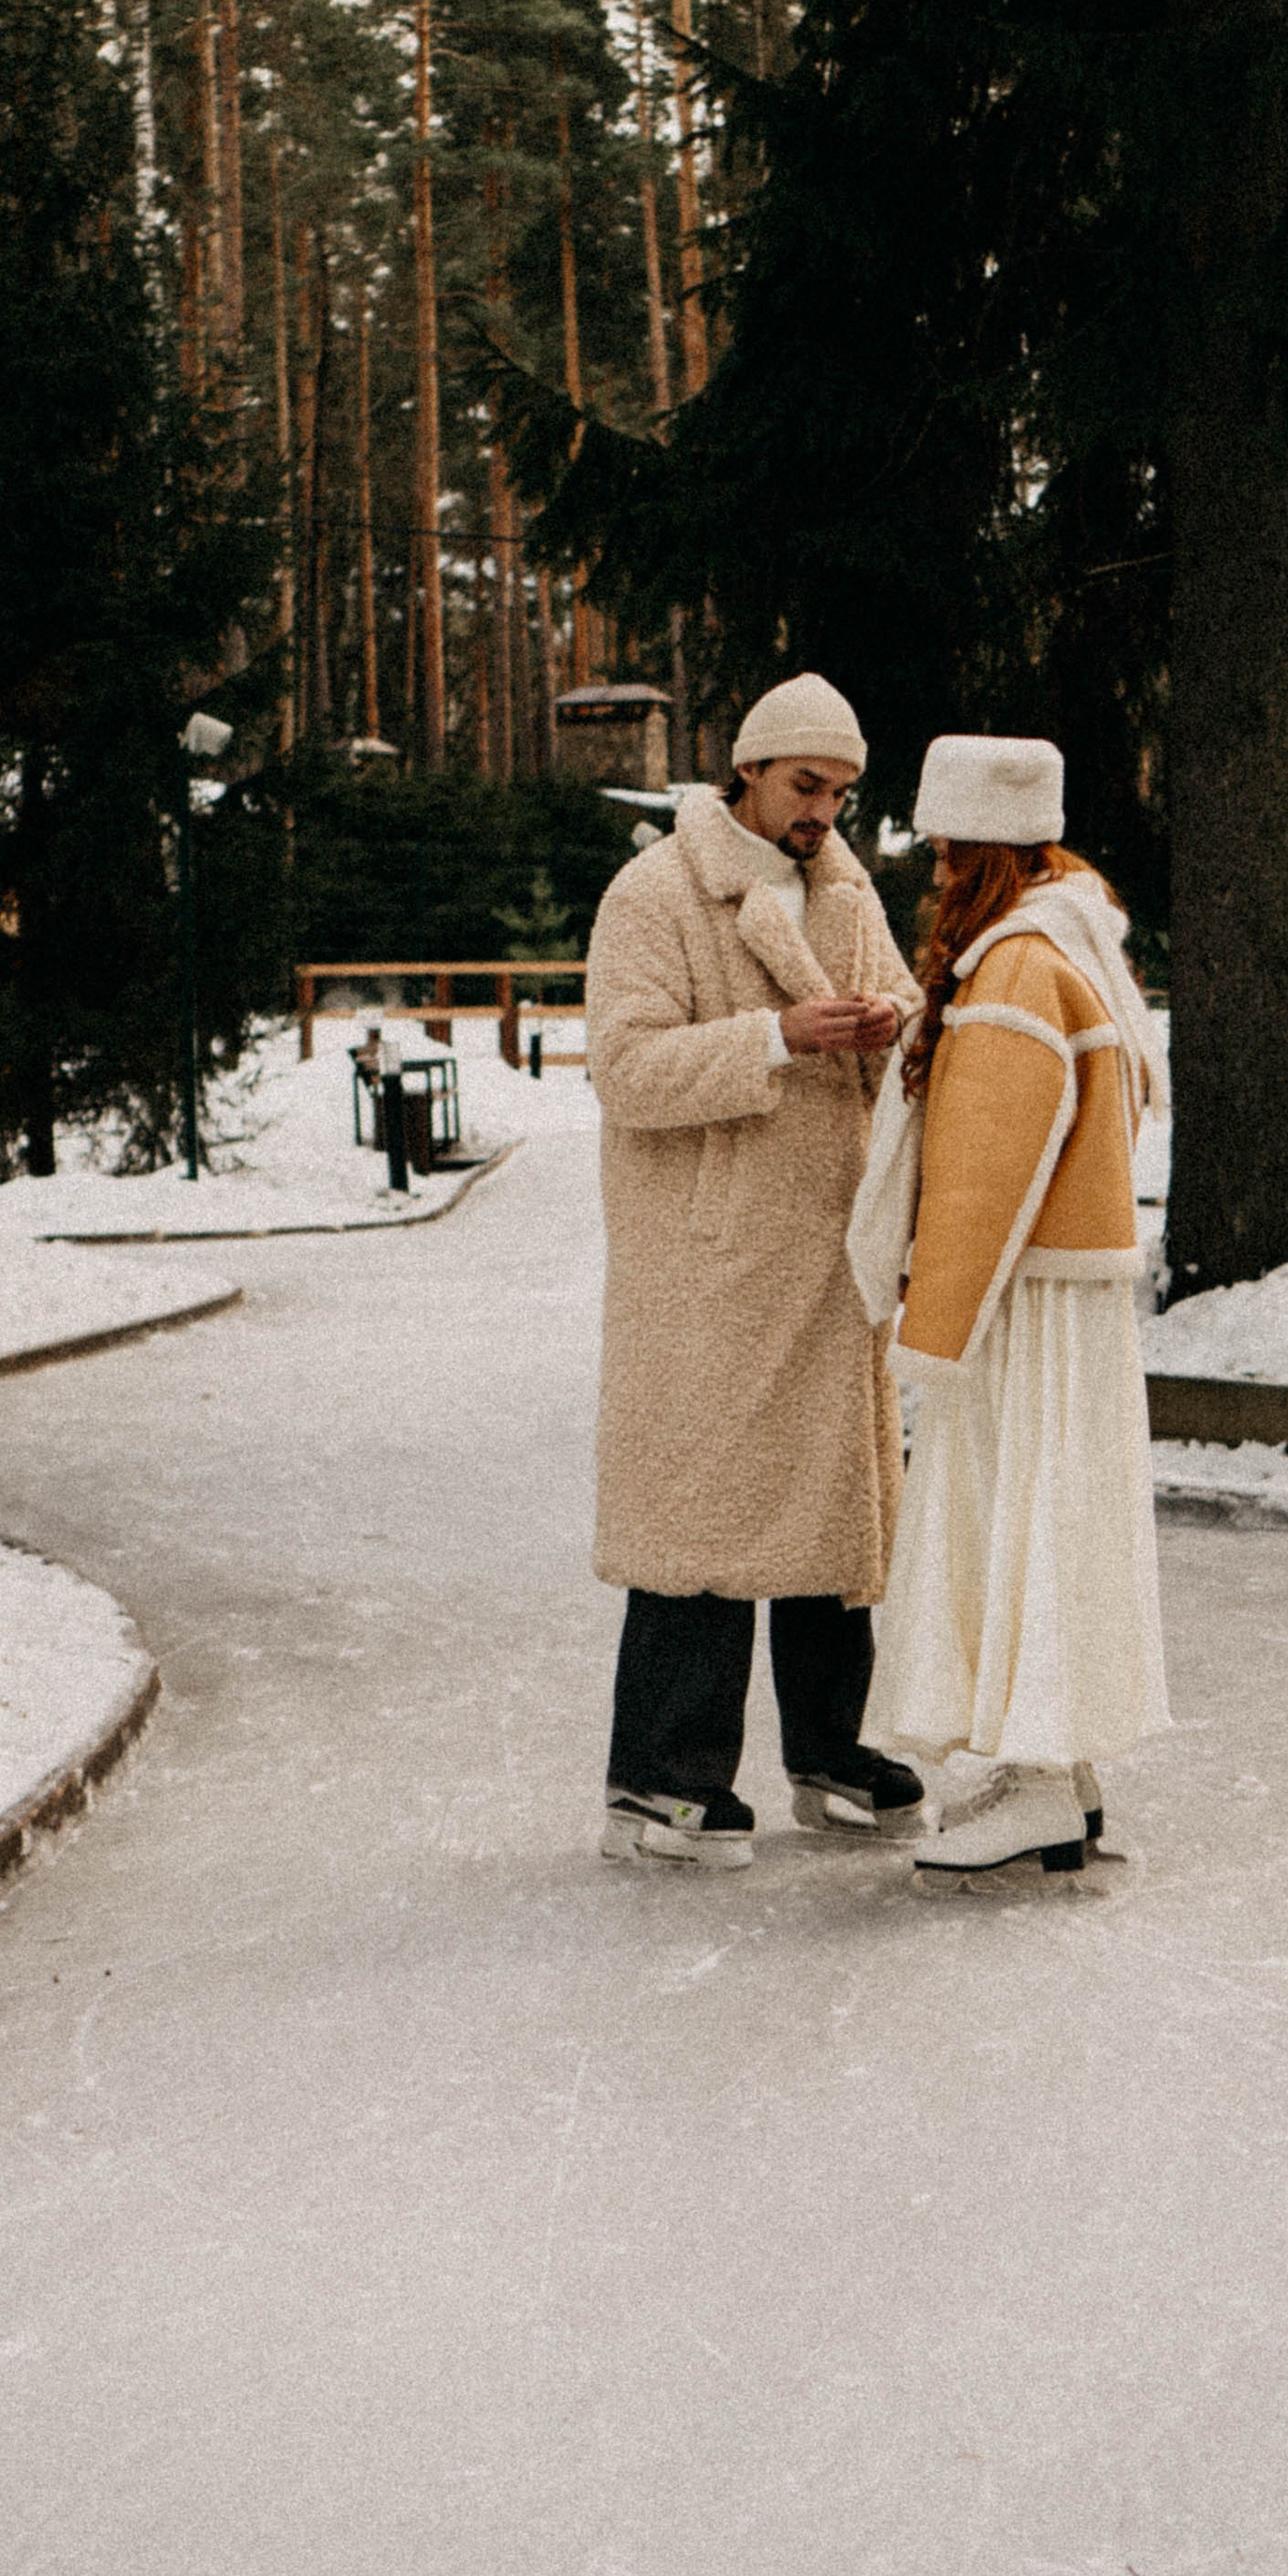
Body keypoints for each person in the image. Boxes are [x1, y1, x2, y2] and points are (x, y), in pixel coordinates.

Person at [586, 671, 927, 1870]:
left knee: (836, 1511)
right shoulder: (655, 892)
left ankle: (829, 1750)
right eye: (804, 784)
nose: (822, 810)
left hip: (831, 1258)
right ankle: (659, 1778)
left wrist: (894, 1023)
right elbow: (624, 1070)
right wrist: (775, 1037)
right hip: (709, 1266)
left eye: (840, 791)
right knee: (704, 1515)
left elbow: (903, 999)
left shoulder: (844, 894)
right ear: (747, 770)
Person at [848, 733, 1169, 1884]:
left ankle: (1037, 1783)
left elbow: (986, 1170)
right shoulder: (1074, 949)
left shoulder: (1017, 969)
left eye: (945, 854)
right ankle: (1062, 1774)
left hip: (1018, 1304)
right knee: (1060, 1519)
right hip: (1061, 1302)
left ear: (985, 852)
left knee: (1012, 1519)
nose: (934, 877)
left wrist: (927, 1329)